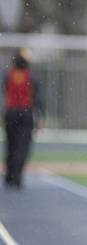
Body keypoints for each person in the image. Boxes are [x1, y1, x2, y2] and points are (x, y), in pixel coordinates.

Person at [3, 49, 43, 189]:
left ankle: (10, 175)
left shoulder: (9, 76)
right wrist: (39, 117)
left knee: (11, 144)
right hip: (25, 113)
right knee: (23, 146)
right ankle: (17, 175)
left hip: (11, 112)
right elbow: (37, 100)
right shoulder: (32, 78)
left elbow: (7, 91)